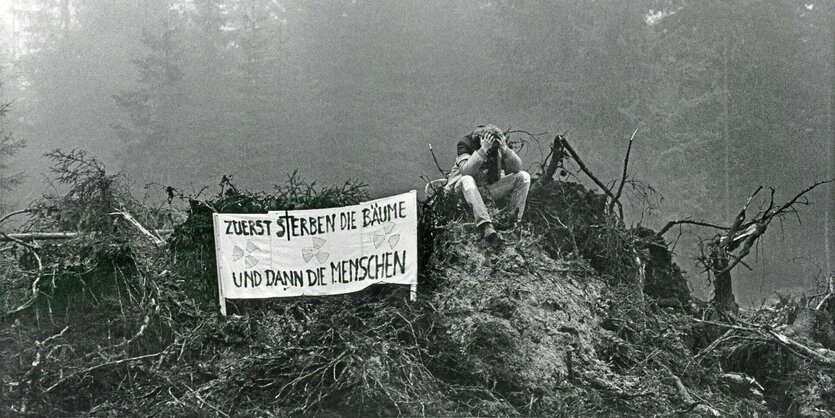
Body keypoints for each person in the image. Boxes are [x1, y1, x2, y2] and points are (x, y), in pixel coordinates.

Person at [445, 124, 531, 242]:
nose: (492, 151)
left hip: (485, 191)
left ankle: (514, 222)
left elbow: (517, 168)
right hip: (463, 192)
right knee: (467, 179)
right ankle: (485, 225)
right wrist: (483, 150)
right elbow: (466, 171)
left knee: (523, 177)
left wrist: (505, 150)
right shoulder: (465, 144)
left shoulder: (498, 148)